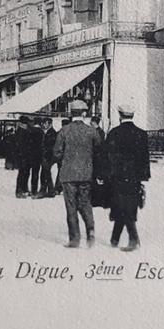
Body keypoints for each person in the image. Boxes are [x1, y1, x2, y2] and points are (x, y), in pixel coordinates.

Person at [52, 100, 105, 248]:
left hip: (68, 174)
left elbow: (56, 153)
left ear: (71, 113)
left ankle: (74, 239)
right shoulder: (92, 131)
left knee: (71, 206)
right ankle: (91, 231)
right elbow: (99, 153)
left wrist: (65, 158)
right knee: (85, 203)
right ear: (84, 113)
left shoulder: (64, 131)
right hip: (86, 174)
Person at [104, 104, 151, 251]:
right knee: (128, 205)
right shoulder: (142, 134)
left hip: (118, 177)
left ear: (120, 116)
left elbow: (108, 156)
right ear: (132, 115)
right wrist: (143, 177)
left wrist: (106, 175)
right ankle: (115, 238)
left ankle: (133, 239)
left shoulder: (114, 133)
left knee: (122, 206)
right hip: (134, 177)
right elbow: (145, 158)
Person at [37, 118, 58, 198]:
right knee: (46, 173)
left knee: (44, 173)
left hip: (48, 156)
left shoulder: (52, 133)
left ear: (49, 124)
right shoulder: (49, 133)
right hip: (47, 156)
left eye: (45, 123)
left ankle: (44, 190)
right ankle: (50, 190)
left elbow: (50, 146)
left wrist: (45, 152)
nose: (43, 125)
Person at [14, 116, 33, 198]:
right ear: (22, 123)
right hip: (22, 156)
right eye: (26, 123)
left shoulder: (24, 131)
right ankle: (19, 190)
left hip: (25, 156)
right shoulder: (20, 132)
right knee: (22, 173)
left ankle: (24, 189)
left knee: (26, 173)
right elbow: (20, 146)